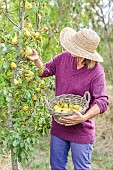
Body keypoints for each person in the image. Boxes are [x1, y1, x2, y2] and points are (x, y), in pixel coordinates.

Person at [24, 27, 108, 170]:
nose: (72, 51)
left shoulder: (96, 71)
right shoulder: (64, 57)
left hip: (82, 130)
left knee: (81, 168)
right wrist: (37, 60)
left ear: (87, 54)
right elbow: (45, 71)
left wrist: (84, 117)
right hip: (59, 126)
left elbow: (102, 101)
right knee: (56, 167)